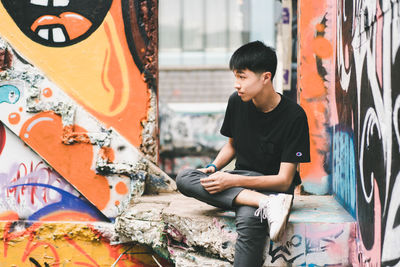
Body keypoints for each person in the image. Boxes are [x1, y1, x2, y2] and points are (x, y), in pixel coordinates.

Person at [176, 40, 310, 267]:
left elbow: (284, 180)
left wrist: (232, 180)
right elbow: (232, 145)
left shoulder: (294, 116)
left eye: (242, 77)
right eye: (235, 77)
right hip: (245, 187)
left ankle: (264, 203)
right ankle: (264, 203)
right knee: (185, 178)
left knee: (249, 218)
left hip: (274, 189)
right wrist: (214, 168)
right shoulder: (236, 102)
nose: (237, 84)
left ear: (266, 77)